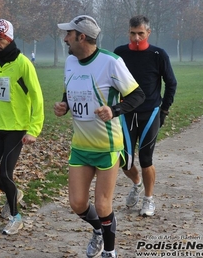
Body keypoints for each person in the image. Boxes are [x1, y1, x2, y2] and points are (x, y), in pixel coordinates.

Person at [55, 15, 145, 258]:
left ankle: (110, 251)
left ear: (81, 37)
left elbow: (138, 96)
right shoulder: (70, 62)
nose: (65, 39)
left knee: (103, 204)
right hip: (81, 146)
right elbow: (70, 94)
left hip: (107, 146)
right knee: (77, 203)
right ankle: (97, 230)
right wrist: (64, 106)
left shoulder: (111, 62)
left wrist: (114, 110)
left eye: (69, 34)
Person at [0, 19, 44, 235]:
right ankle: (14, 193)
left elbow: (37, 97)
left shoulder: (23, 63)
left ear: (10, 39)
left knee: (5, 174)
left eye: (1, 39)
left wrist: (34, 129)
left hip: (17, 127)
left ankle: (16, 217)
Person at [114, 15, 177, 217]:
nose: (136, 37)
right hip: (126, 113)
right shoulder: (120, 53)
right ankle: (136, 183)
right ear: (128, 32)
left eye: (141, 33)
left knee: (146, 159)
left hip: (150, 113)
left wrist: (164, 110)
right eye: (133, 33)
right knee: (125, 160)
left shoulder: (159, 54)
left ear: (148, 33)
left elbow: (171, 83)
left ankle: (148, 199)